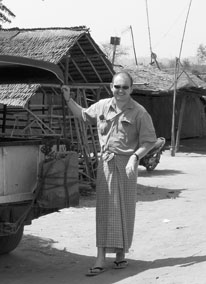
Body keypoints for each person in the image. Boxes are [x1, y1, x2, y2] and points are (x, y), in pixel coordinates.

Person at [61, 72, 157, 276]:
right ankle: (100, 258)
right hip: (106, 163)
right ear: (110, 87)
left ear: (131, 89)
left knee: (124, 209)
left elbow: (149, 141)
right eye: (117, 87)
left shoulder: (139, 112)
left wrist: (135, 158)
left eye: (124, 87)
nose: (120, 91)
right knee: (105, 210)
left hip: (127, 164)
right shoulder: (103, 106)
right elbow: (83, 115)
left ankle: (121, 254)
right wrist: (68, 99)